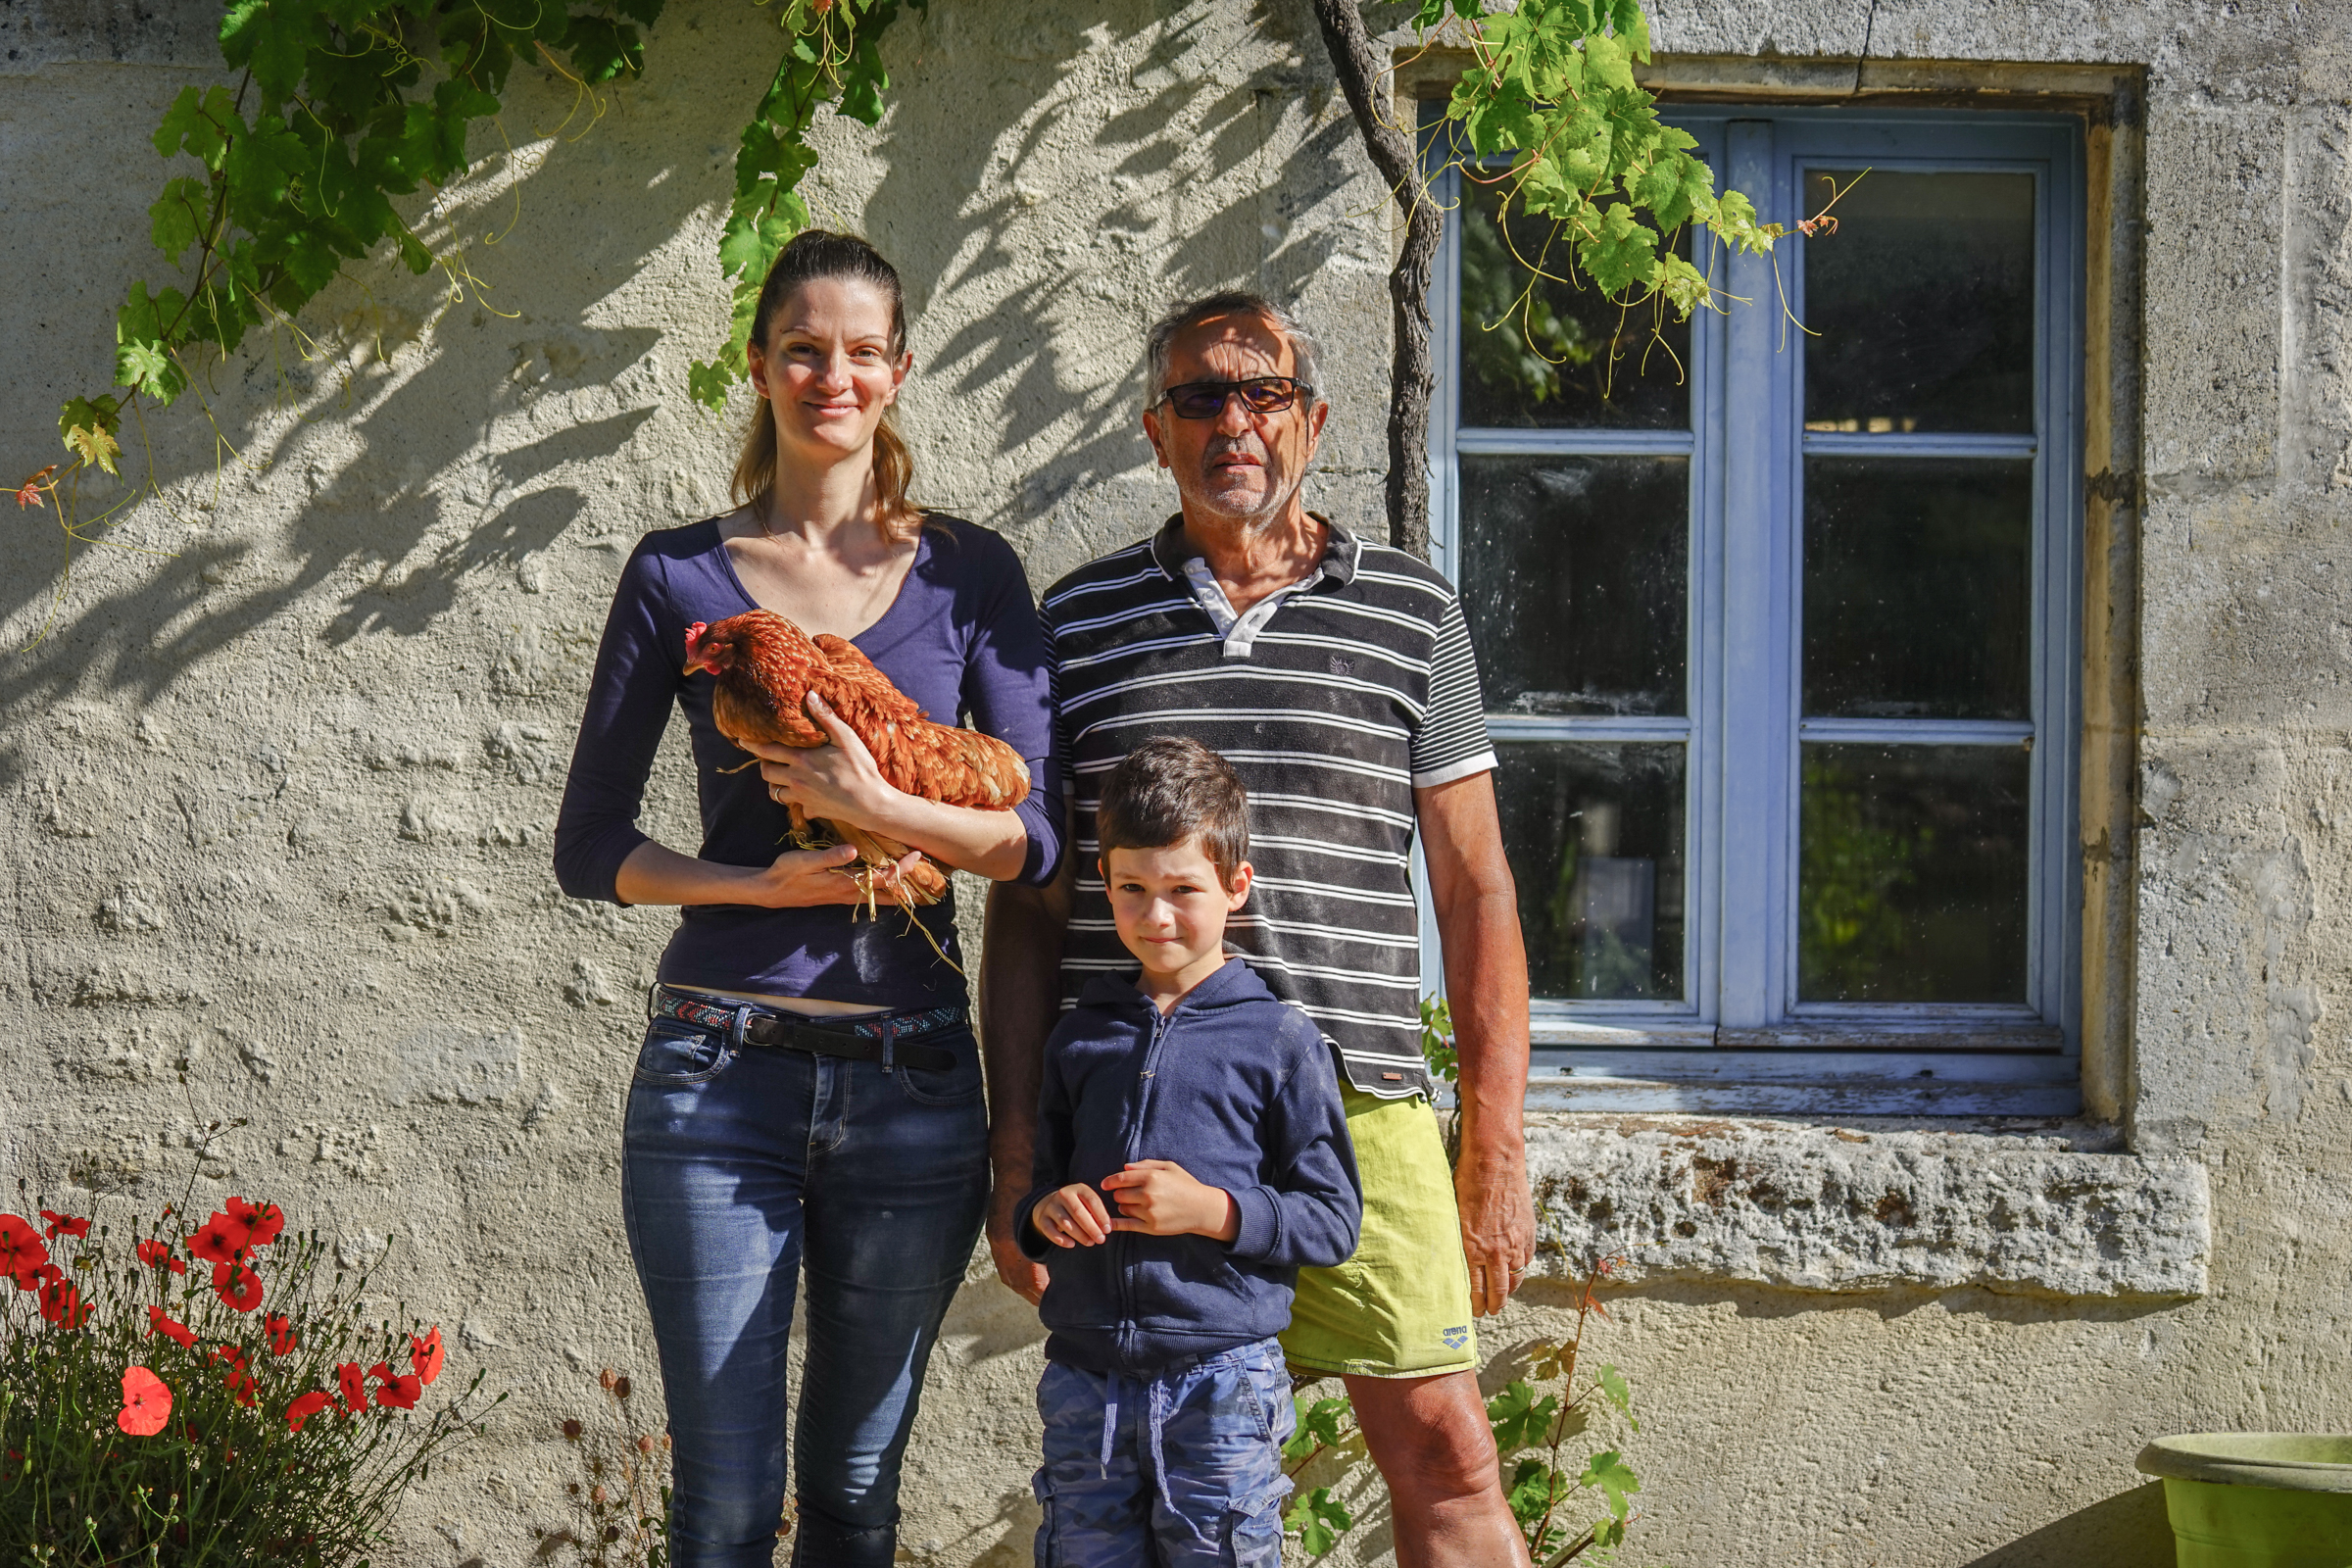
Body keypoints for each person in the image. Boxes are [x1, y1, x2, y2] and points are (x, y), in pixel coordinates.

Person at [981, 290, 1538, 1567]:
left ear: (1314, 419)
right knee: (1154, 1477)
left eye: (1262, 392)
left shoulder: (1412, 614)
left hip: (1357, 1111)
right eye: (1200, 397)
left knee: (1447, 1451)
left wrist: (1494, 1138)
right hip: (1138, 1118)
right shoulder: (1074, 626)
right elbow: (1029, 904)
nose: (1235, 418)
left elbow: (1477, 889)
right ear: (1155, 431)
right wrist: (1016, 1151)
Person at [552, 229, 1064, 1568]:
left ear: (897, 373)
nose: (830, 374)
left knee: (853, 1497)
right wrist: (759, 883)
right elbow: (590, 844)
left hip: (913, 1079)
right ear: (762, 366)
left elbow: (1039, 837)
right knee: (723, 1507)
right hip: (718, 1072)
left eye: (858, 352)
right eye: (802, 349)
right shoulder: (679, 577)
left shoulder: (972, 575)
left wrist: (887, 814)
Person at [1016, 735, 1360, 1567]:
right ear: (1106, 883)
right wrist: (1044, 1214)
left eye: (1183, 889)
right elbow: (1041, 1189)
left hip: (1222, 1383)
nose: (1156, 915)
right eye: (1132, 888)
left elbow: (1333, 1219)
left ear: (1236, 886)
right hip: (1085, 1383)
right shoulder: (1081, 1035)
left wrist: (1214, 1212)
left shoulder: (1279, 1039)